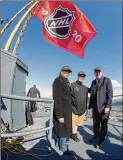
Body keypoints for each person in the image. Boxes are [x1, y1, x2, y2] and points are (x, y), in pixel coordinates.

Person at [88, 67, 113, 149]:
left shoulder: (106, 80)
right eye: (96, 72)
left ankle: (101, 141)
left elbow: (110, 94)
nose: (97, 73)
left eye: (99, 71)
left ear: (101, 72)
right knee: (95, 124)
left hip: (104, 108)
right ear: (94, 73)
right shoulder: (93, 82)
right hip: (95, 107)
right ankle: (96, 136)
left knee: (103, 125)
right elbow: (90, 91)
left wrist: (108, 106)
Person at [52, 66, 73, 154]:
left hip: (66, 109)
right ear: (61, 71)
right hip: (62, 110)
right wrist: (59, 115)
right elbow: (57, 98)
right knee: (63, 129)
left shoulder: (65, 81)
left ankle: (59, 145)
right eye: (65, 71)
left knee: (63, 128)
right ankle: (63, 148)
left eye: (68, 72)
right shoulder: (58, 80)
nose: (66, 73)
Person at [71, 71, 88, 142]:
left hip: (82, 110)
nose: (81, 77)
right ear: (78, 76)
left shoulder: (85, 88)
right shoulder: (72, 85)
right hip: (73, 109)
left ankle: (73, 134)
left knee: (77, 124)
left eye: (83, 76)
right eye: (80, 76)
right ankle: (70, 135)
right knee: (72, 123)